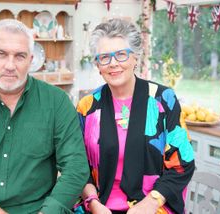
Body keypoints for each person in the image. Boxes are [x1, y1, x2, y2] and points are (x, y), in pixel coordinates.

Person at [0, 19, 89, 214]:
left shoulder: (57, 102)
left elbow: (75, 168)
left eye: (20, 56)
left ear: (31, 59)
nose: (10, 65)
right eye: (1, 54)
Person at [76, 18, 195, 214]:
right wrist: (94, 204)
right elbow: (77, 167)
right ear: (98, 64)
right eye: (104, 57)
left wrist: (149, 203)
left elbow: (182, 164)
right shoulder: (87, 106)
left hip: (154, 206)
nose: (113, 63)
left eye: (121, 54)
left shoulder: (163, 100)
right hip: (99, 207)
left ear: (135, 58)